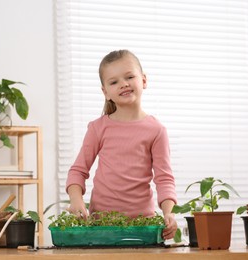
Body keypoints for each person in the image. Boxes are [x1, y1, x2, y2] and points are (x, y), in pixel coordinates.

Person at [66, 49, 178, 240]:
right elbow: (78, 170)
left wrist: (168, 212)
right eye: (114, 81)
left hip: (143, 225)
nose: (124, 84)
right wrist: (76, 201)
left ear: (143, 80)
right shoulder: (98, 128)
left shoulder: (156, 130)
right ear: (106, 92)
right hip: (102, 225)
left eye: (129, 77)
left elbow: (164, 179)